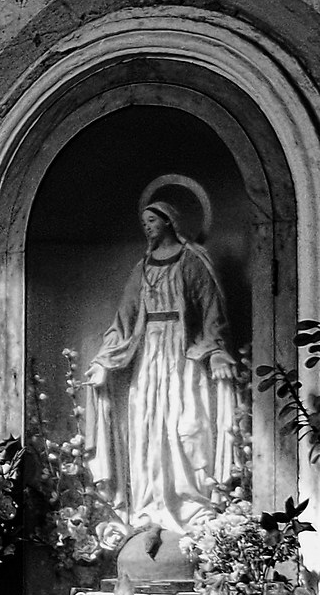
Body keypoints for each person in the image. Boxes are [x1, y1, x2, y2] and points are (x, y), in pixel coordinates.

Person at [86, 188, 239, 556]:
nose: (147, 228)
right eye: (143, 222)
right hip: (148, 354)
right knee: (146, 426)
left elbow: (211, 309)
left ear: (170, 222)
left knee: (187, 427)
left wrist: (216, 351)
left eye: (152, 221)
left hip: (184, 356)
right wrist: (103, 360)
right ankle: (150, 507)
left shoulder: (192, 262)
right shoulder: (141, 268)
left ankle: (189, 506)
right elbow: (123, 320)